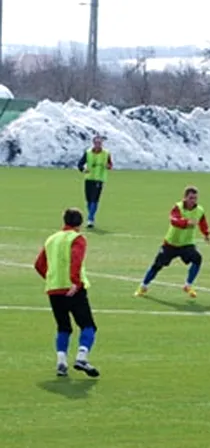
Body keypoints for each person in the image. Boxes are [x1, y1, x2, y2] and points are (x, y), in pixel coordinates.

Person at [33, 208, 100, 377]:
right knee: (88, 326)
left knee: (63, 327)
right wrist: (75, 282)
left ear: (64, 221)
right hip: (72, 289)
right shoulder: (77, 239)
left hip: (54, 289)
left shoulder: (51, 239)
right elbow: (75, 260)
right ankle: (82, 357)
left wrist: (51, 279)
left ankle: (61, 362)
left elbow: (39, 265)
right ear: (80, 223)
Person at [134, 186, 210, 299]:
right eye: (190, 198)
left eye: (195, 198)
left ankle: (188, 285)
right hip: (171, 244)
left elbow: (202, 222)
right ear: (185, 198)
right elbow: (174, 220)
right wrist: (186, 223)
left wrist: (206, 233)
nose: (193, 201)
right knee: (157, 266)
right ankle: (143, 286)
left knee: (197, 259)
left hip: (186, 244)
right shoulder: (178, 207)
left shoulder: (199, 210)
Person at [76, 135, 112, 228]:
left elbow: (110, 164)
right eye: (96, 143)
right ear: (93, 143)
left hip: (99, 179)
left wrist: (108, 166)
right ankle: (91, 216)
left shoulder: (106, 153)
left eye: (99, 143)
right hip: (88, 178)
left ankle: (90, 218)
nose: (98, 145)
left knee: (95, 199)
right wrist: (83, 170)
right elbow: (80, 164)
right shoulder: (88, 152)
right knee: (88, 200)